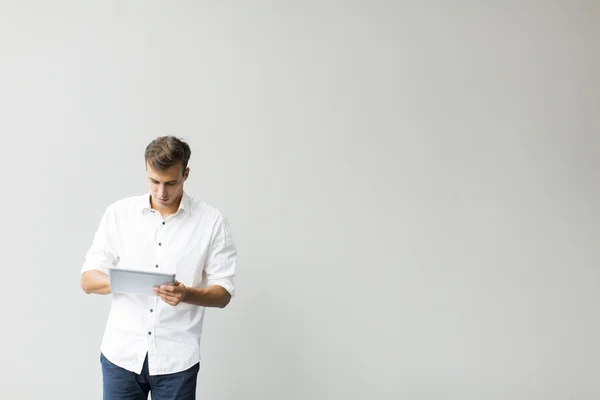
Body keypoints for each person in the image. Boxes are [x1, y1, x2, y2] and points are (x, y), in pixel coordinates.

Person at [80, 136, 237, 400]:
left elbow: (224, 293)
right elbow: (87, 279)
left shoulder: (212, 222)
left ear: (185, 174)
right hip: (121, 356)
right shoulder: (119, 214)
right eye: (154, 181)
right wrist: (121, 281)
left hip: (177, 361)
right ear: (146, 169)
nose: (161, 192)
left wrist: (187, 294)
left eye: (171, 183)